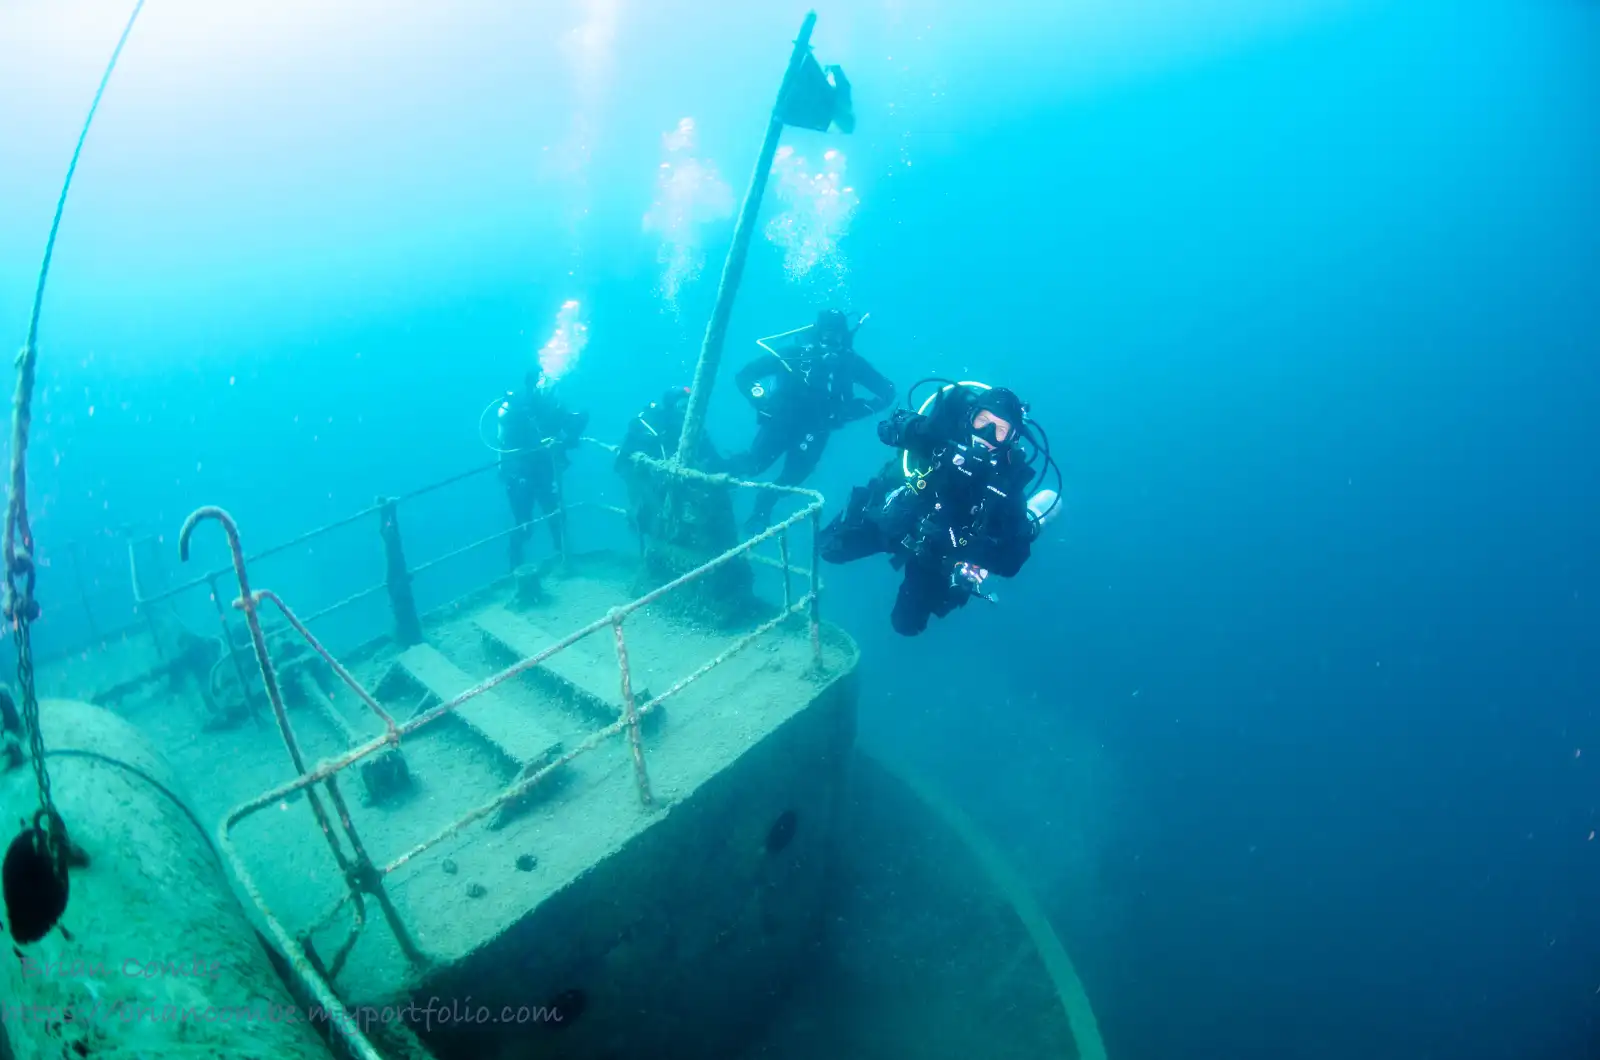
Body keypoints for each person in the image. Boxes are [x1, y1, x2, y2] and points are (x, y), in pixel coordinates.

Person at [818, 381, 1059, 637]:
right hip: (895, 521)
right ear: (970, 417)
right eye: (983, 421)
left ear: (1012, 439)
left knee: (906, 626)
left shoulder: (1005, 486)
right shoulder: (940, 436)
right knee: (829, 549)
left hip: (936, 555)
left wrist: (962, 545)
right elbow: (888, 428)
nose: (987, 433)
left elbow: (1013, 562)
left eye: (999, 430)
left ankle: (955, 585)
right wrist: (915, 429)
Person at [727, 309, 896, 533]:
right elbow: (745, 375)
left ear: (844, 336)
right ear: (816, 333)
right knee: (754, 464)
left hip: (817, 429)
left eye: (836, 334)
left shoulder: (851, 363)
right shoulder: (794, 354)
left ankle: (763, 505)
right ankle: (716, 480)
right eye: (826, 333)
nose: (830, 340)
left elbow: (887, 391)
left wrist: (856, 409)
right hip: (780, 422)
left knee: (793, 477)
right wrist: (762, 403)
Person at [497, 371, 590, 567]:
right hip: (519, 472)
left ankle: (566, 561)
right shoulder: (518, 407)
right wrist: (540, 443)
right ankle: (516, 569)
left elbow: (565, 431)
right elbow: (508, 440)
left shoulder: (555, 406)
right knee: (524, 524)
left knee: (556, 515)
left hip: (545, 471)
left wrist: (576, 429)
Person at [613, 385, 722, 532]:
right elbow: (624, 463)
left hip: (686, 488)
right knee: (650, 515)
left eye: (691, 406)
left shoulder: (697, 432)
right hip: (654, 484)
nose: (687, 412)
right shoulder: (652, 427)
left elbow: (714, 460)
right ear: (671, 407)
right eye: (683, 406)